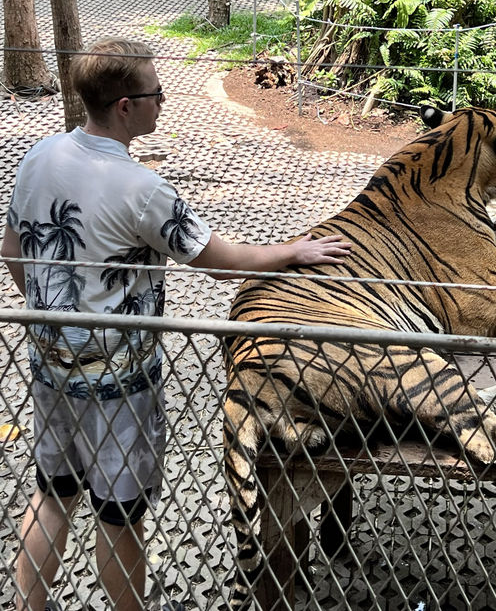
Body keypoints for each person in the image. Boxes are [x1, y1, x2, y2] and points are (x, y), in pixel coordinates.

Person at [0, 37, 351, 611]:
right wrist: (293, 250)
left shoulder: (39, 158)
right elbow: (220, 264)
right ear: (124, 107)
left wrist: (54, 328)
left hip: (48, 367)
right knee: (120, 516)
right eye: (155, 92)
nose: (162, 101)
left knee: (53, 493)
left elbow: (14, 253)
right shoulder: (142, 189)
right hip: (119, 385)